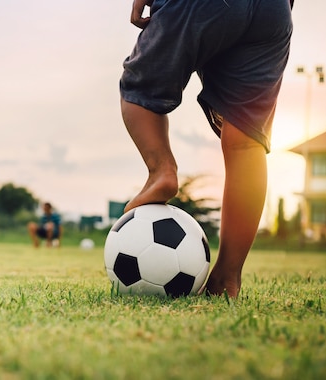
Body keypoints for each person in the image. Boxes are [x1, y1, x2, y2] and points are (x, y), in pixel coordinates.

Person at [120, 0, 293, 297]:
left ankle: (161, 170)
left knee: (139, 90)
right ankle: (227, 276)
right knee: (246, 142)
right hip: (274, 11)